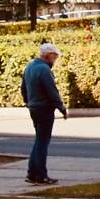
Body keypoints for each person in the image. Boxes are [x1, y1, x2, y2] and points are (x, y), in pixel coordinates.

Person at [21, 42, 67, 185]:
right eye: (54, 57)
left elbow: (23, 88)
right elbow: (52, 91)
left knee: (39, 140)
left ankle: (32, 173)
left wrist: (28, 102)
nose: (55, 60)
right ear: (48, 55)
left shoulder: (30, 66)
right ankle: (41, 175)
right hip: (44, 108)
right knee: (42, 142)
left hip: (34, 107)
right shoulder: (44, 69)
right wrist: (61, 107)